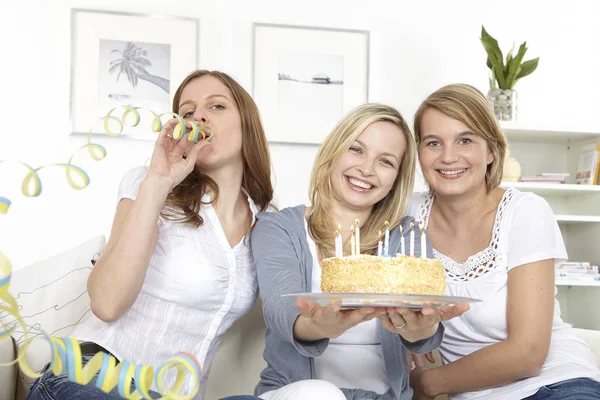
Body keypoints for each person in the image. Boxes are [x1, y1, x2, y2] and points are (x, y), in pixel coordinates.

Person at [26, 70, 274, 400]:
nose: (198, 115)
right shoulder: (150, 185)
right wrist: (158, 182)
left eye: (216, 107)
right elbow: (106, 304)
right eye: (187, 112)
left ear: (247, 122)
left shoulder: (268, 222)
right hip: (93, 376)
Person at [250, 103, 469, 400]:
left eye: (386, 162)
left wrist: (421, 331)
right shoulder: (278, 228)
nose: (366, 169)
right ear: (334, 150)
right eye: (356, 149)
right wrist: (318, 324)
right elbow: (280, 313)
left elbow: (422, 335)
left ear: (396, 179)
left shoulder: (406, 237)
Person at [407, 83, 600, 400]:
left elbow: (527, 354)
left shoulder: (526, 212)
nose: (448, 157)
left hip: (557, 384)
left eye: (465, 140)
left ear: (492, 150)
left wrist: (428, 383)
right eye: (433, 143)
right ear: (419, 152)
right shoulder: (408, 214)